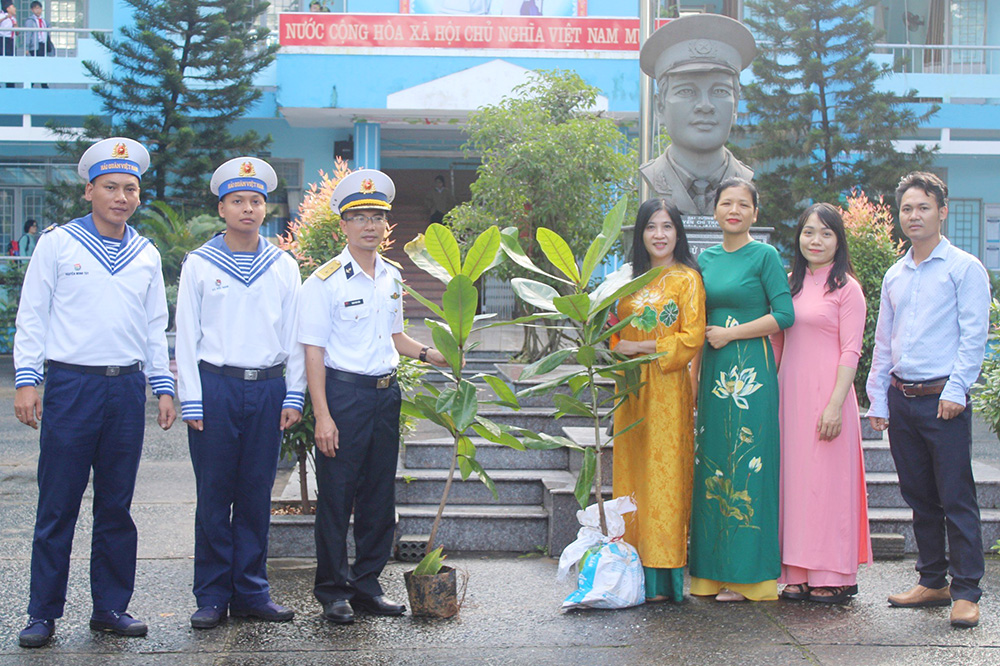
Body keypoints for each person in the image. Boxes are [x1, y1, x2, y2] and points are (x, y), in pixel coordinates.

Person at [13, 137, 177, 648]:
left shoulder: (146, 253)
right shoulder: (59, 244)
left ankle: (110, 607)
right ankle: (43, 613)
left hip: (125, 389)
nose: (121, 197)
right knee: (58, 504)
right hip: (72, 386)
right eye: (110, 187)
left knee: (116, 506)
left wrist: (163, 385)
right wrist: (27, 378)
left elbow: (154, 326)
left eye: (130, 188)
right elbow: (33, 314)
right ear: (89, 191)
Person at [298, 168, 449, 624]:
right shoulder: (324, 282)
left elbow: (396, 337)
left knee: (379, 498)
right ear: (343, 225)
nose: (370, 225)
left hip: (386, 396)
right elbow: (313, 353)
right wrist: (322, 416)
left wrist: (430, 354)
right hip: (344, 397)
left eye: (377, 217)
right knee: (336, 498)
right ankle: (333, 591)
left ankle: (367, 586)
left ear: (387, 225)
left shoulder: (391, 276)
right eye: (360, 217)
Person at [175, 157, 306, 630]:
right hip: (217, 387)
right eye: (237, 201)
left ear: (265, 208)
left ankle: (252, 592)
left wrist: (295, 394)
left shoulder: (282, 265)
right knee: (214, 494)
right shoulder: (200, 263)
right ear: (222, 208)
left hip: (268, 389)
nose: (247, 209)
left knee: (254, 494)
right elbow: (185, 334)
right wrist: (190, 397)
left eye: (255, 201)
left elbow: (295, 335)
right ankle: (211, 595)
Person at [866, 171, 991, 628]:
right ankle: (932, 580)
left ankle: (967, 591)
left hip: (944, 400)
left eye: (923, 207)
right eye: (906, 208)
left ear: (942, 211)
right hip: (903, 398)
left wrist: (957, 390)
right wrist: (878, 398)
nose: (914, 215)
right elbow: (884, 341)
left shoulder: (964, 268)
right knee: (918, 495)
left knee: (956, 496)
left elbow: (974, 335)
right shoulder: (895, 274)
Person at [688, 177, 794, 602]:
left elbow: (784, 315)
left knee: (750, 463)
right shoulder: (706, 260)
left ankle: (752, 577)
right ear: (714, 211)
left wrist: (731, 334)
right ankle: (711, 574)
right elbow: (699, 322)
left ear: (755, 213)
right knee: (713, 465)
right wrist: (694, 378)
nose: (734, 211)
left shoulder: (765, 256)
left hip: (751, 370)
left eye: (743, 204)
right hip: (713, 372)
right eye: (726, 203)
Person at [772, 203, 872, 604]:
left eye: (826, 233)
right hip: (789, 397)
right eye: (809, 232)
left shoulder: (847, 288)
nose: (816, 240)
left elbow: (851, 351)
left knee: (828, 487)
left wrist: (835, 404)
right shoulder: (788, 284)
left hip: (830, 397)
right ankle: (796, 571)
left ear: (838, 240)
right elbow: (777, 340)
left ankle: (833, 573)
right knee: (794, 484)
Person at [611, 199, 705, 603]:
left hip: (667, 388)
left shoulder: (687, 279)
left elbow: (692, 336)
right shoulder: (627, 280)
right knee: (631, 473)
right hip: (630, 388)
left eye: (667, 226)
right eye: (651, 226)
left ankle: (663, 578)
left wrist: (642, 346)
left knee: (664, 475)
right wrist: (617, 347)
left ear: (678, 233)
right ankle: (629, 573)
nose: (660, 234)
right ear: (640, 233)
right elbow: (611, 330)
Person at [638, 14, 756, 216]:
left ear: (735, 105)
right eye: (687, 91)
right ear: (660, 107)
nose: (705, 106)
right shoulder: (654, 175)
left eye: (720, 91)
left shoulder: (742, 179)